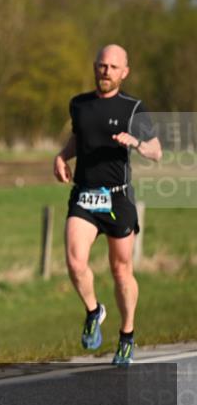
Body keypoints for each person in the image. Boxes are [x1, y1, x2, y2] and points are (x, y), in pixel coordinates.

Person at [53, 44, 161, 366]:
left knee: (121, 270)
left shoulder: (133, 108)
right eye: (102, 65)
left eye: (113, 67)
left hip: (118, 196)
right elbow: (78, 137)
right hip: (85, 195)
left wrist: (137, 143)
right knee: (75, 261)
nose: (106, 71)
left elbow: (157, 150)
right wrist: (61, 156)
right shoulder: (80, 104)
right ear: (95, 67)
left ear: (124, 72)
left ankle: (126, 335)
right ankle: (93, 310)